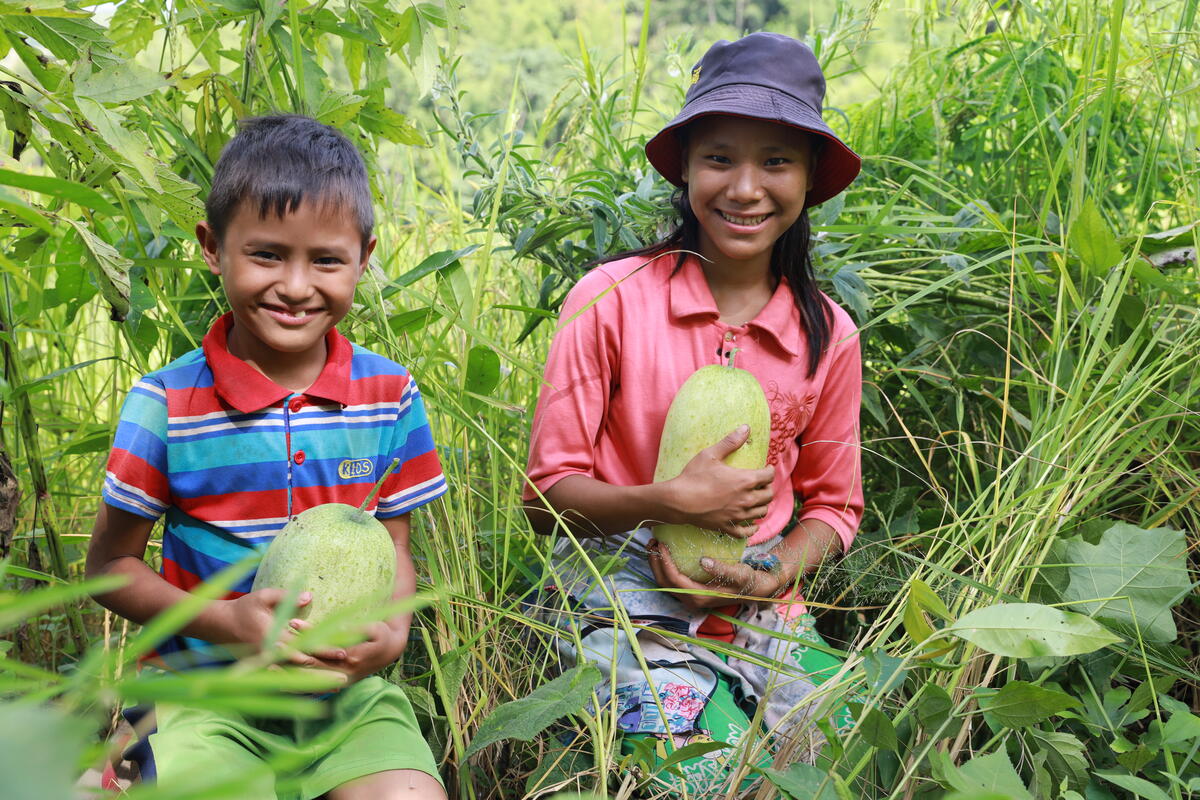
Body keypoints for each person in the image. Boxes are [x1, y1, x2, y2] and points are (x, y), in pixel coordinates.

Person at [523, 33, 863, 794]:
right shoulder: (610, 299)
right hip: (618, 591)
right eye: (719, 158)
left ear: (809, 177)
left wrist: (769, 576)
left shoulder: (830, 335)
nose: (745, 187)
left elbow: (836, 509)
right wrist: (664, 502)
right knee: (711, 777)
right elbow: (546, 496)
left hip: (761, 594)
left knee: (848, 759)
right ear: (684, 169)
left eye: (776, 160)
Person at [86, 115, 447, 800]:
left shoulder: (391, 395)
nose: (296, 286)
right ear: (213, 248)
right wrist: (229, 622)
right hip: (200, 691)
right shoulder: (163, 405)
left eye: (327, 261)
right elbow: (109, 568)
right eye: (267, 255)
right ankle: (122, 760)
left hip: (345, 702)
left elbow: (394, 547)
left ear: (364, 258)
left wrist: (393, 632)